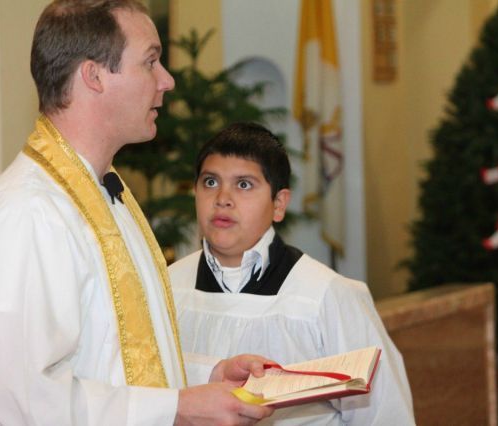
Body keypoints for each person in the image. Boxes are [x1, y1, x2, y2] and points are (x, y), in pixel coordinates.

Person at [0, 2, 274, 425]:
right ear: (94, 76)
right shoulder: (26, 214)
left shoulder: (106, 192)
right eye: (150, 61)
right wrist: (178, 408)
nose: (166, 80)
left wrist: (207, 376)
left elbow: (112, 353)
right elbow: (19, 401)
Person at [169, 122, 415, 425]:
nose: (223, 198)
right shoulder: (166, 287)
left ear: (279, 204)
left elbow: (384, 414)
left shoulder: (325, 295)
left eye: (244, 184)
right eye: (210, 182)